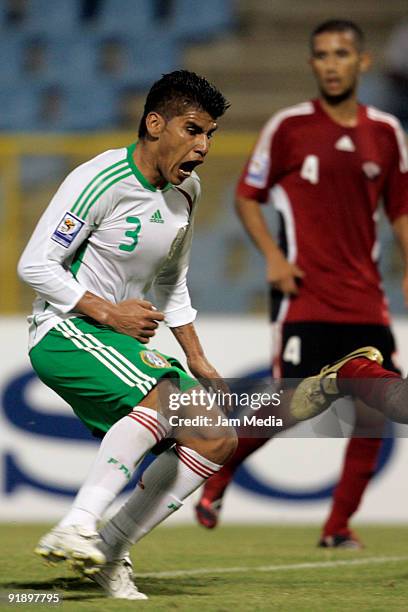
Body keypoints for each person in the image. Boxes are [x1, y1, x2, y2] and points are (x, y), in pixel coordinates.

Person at [18, 70, 237, 600]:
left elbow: (171, 281)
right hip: (66, 331)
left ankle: (111, 550)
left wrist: (198, 357)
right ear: (154, 123)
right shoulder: (100, 179)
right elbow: (35, 264)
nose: (203, 147)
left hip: (116, 342)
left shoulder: (187, 190)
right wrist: (109, 313)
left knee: (216, 437)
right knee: (163, 401)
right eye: (192, 130)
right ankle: (79, 523)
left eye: (209, 134)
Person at [195, 19, 408, 548]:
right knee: (288, 406)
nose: (330, 63)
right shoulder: (288, 127)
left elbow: (401, 209)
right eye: (321, 55)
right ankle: (220, 469)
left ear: (361, 62)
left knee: (372, 414)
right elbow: (247, 194)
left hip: (366, 300)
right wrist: (272, 257)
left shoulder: (386, 132)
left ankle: (337, 528)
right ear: (311, 63)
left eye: (341, 54)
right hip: (304, 297)